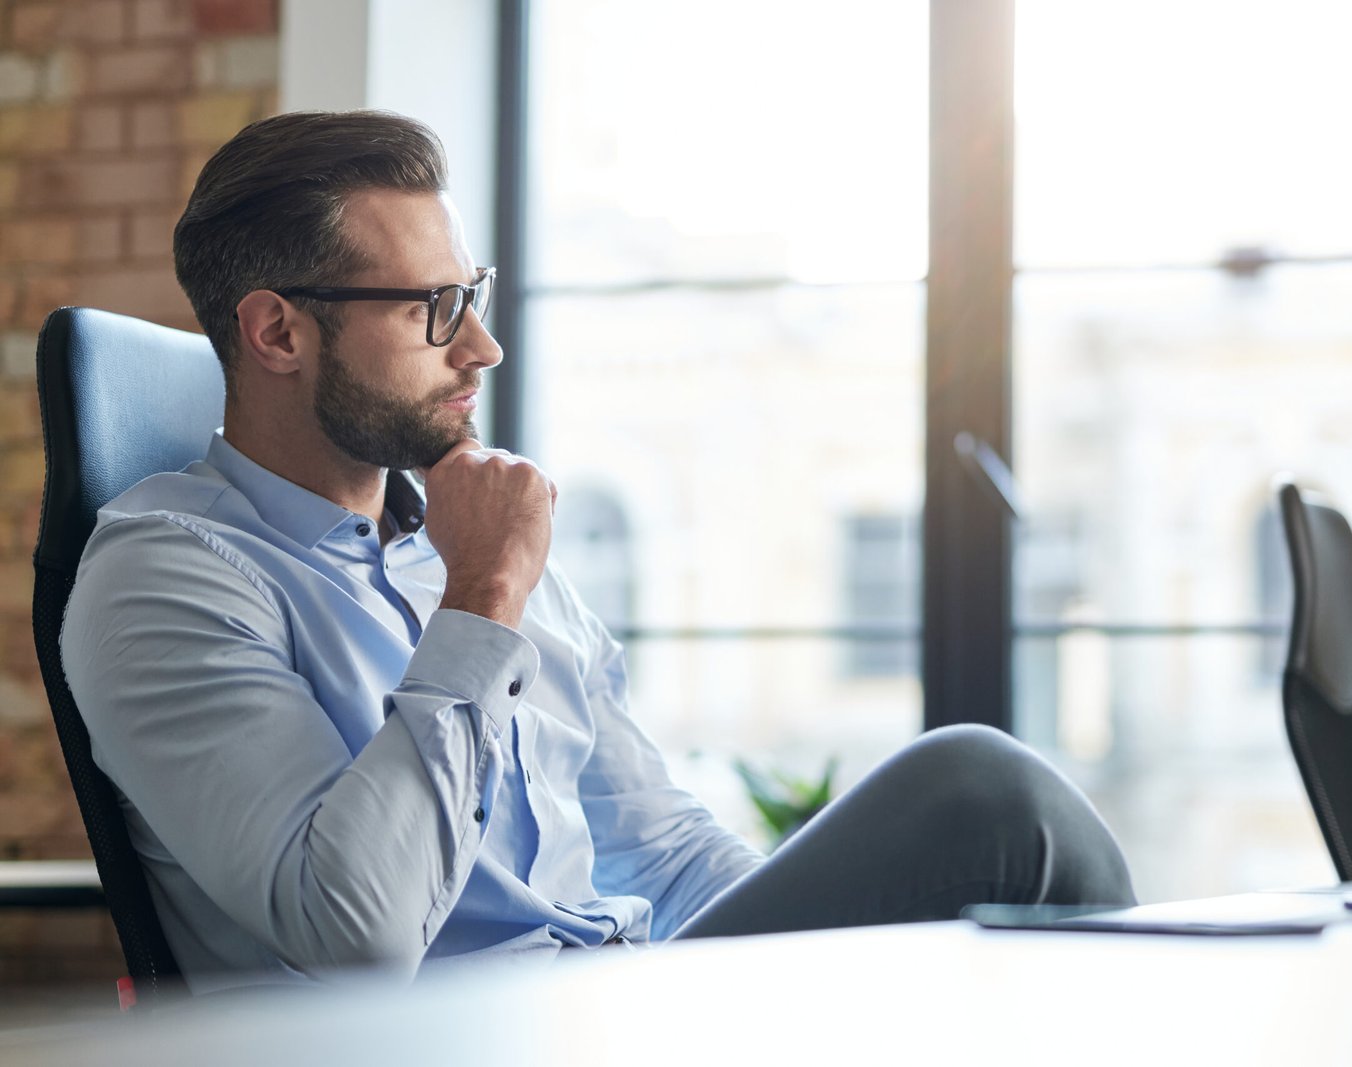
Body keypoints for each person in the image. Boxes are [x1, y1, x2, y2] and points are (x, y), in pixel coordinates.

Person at [59, 110, 1133, 993]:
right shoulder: (168, 574)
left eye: (468, 296)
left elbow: (658, 849)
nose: (481, 345)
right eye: (434, 310)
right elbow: (354, 932)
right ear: (278, 333)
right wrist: (481, 600)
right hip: (437, 1045)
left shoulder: (475, 536)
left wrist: (812, 970)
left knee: (977, 895)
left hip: (618, 1004)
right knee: (986, 795)